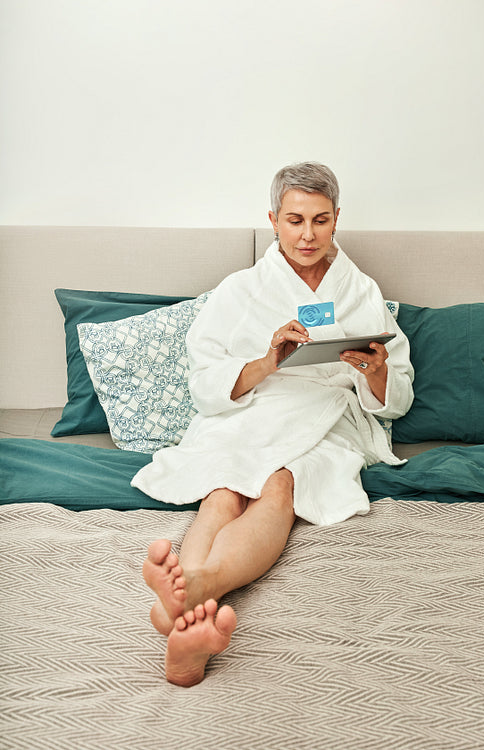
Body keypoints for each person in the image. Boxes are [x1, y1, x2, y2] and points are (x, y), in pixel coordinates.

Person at [133, 162, 414, 687]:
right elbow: (205, 378)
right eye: (294, 220)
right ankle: (190, 607)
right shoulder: (240, 290)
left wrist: (376, 373)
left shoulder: (361, 289)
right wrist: (269, 360)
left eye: (321, 220)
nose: (308, 235)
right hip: (255, 405)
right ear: (273, 220)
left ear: (337, 220)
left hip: (325, 413)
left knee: (278, 482)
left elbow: (394, 394)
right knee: (223, 489)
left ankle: (187, 599)